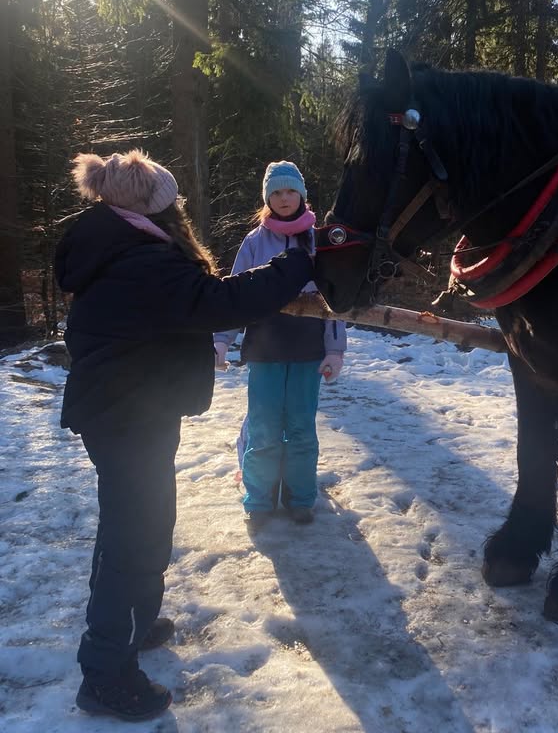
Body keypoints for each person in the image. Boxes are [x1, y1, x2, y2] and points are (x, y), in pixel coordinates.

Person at [55, 150, 314, 723]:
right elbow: (218, 303)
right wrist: (296, 265)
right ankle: (105, 674)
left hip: (130, 406)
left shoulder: (117, 243)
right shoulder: (141, 259)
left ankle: (136, 621)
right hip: (126, 411)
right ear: (152, 208)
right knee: (132, 535)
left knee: (144, 523)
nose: (181, 211)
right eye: (174, 203)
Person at [214, 160, 346, 529]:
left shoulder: (318, 242)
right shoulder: (254, 242)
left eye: (290, 191)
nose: (284, 198)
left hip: (308, 353)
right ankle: (259, 500)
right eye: (276, 192)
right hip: (265, 352)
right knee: (265, 428)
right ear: (267, 198)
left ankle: (301, 498)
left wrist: (335, 350)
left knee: (302, 428)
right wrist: (222, 340)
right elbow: (235, 295)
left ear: (302, 195)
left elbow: (336, 301)